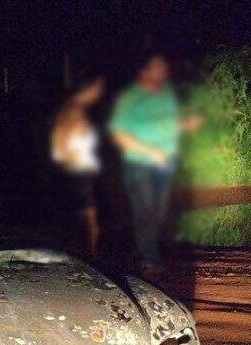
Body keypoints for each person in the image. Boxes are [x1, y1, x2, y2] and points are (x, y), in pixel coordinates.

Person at [109, 53, 202, 270]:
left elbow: (168, 124)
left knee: (157, 213)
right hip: (139, 164)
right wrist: (150, 151)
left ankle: (136, 255)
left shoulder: (167, 93)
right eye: (158, 66)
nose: (164, 70)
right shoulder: (130, 98)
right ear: (144, 71)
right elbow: (119, 134)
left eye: (163, 66)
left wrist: (185, 124)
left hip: (165, 164)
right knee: (145, 211)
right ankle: (149, 260)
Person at [51, 75, 105, 257]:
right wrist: (71, 160)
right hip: (78, 172)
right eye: (96, 89)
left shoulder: (76, 110)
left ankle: (87, 255)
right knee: (88, 222)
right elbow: (59, 145)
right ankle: (90, 259)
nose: (98, 94)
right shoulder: (71, 111)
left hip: (80, 172)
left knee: (85, 221)